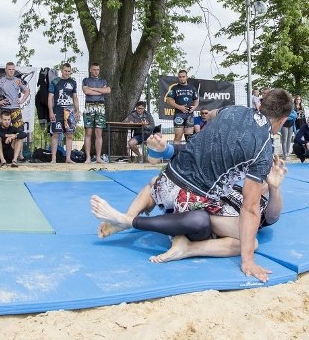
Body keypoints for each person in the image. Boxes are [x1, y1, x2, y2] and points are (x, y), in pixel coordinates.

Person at [90, 89, 293, 283]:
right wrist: (248, 260)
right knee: (249, 240)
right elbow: (250, 207)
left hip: (166, 181)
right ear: (283, 120)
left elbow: (212, 114)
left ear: (261, 104)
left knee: (154, 183)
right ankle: (133, 222)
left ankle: (135, 207)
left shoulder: (233, 110)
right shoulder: (264, 147)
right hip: (190, 202)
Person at [0, 61, 31, 161]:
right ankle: (0, 153)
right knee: (1, 131)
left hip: (16, 108)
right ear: (6, 70)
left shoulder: (18, 80)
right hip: (5, 108)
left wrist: (22, 100)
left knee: (20, 131)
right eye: (9, 69)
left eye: (13, 69)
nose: (11, 71)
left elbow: (27, 91)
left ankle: (19, 155)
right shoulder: (1, 80)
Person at [48, 63, 81, 164]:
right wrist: (51, 111)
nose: (67, 73)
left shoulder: (73, 82)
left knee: (69, 134)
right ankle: (53, 158)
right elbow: (50, 97)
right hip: (57, 110)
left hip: (69, 111)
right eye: (65, 71)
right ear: (61, 70)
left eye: (69, 71)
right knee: (55, 134)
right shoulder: (55, 81)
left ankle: (68, 158)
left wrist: (77, 111)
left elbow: (75, 97)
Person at [82, 62, 111, 163]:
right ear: (90, 70)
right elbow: (86, 92)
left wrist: (93, 89)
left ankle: (98, 157)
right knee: (88, 132)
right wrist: (100, 91)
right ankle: (88, 157)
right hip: (89, 106)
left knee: (99, 133)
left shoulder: (103, 80)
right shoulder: (86, 80)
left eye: (97, 69)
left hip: (100, 106)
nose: (96, 71)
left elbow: (107, 90)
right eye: (94, 69)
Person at [165, 70, 198, 143]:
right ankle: (175, 154)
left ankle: (188, 154)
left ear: (187, 77)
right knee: (178, 136)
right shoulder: (174, 88)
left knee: (189, 138)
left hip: (189, 114)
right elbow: (169, 100)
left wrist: (195, 107)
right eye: (180, 77)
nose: (182, 78)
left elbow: (196, 99)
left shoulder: (192, 88)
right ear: (178, 78)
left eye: (183, 77)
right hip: (179, 114)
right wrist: (180, 107)